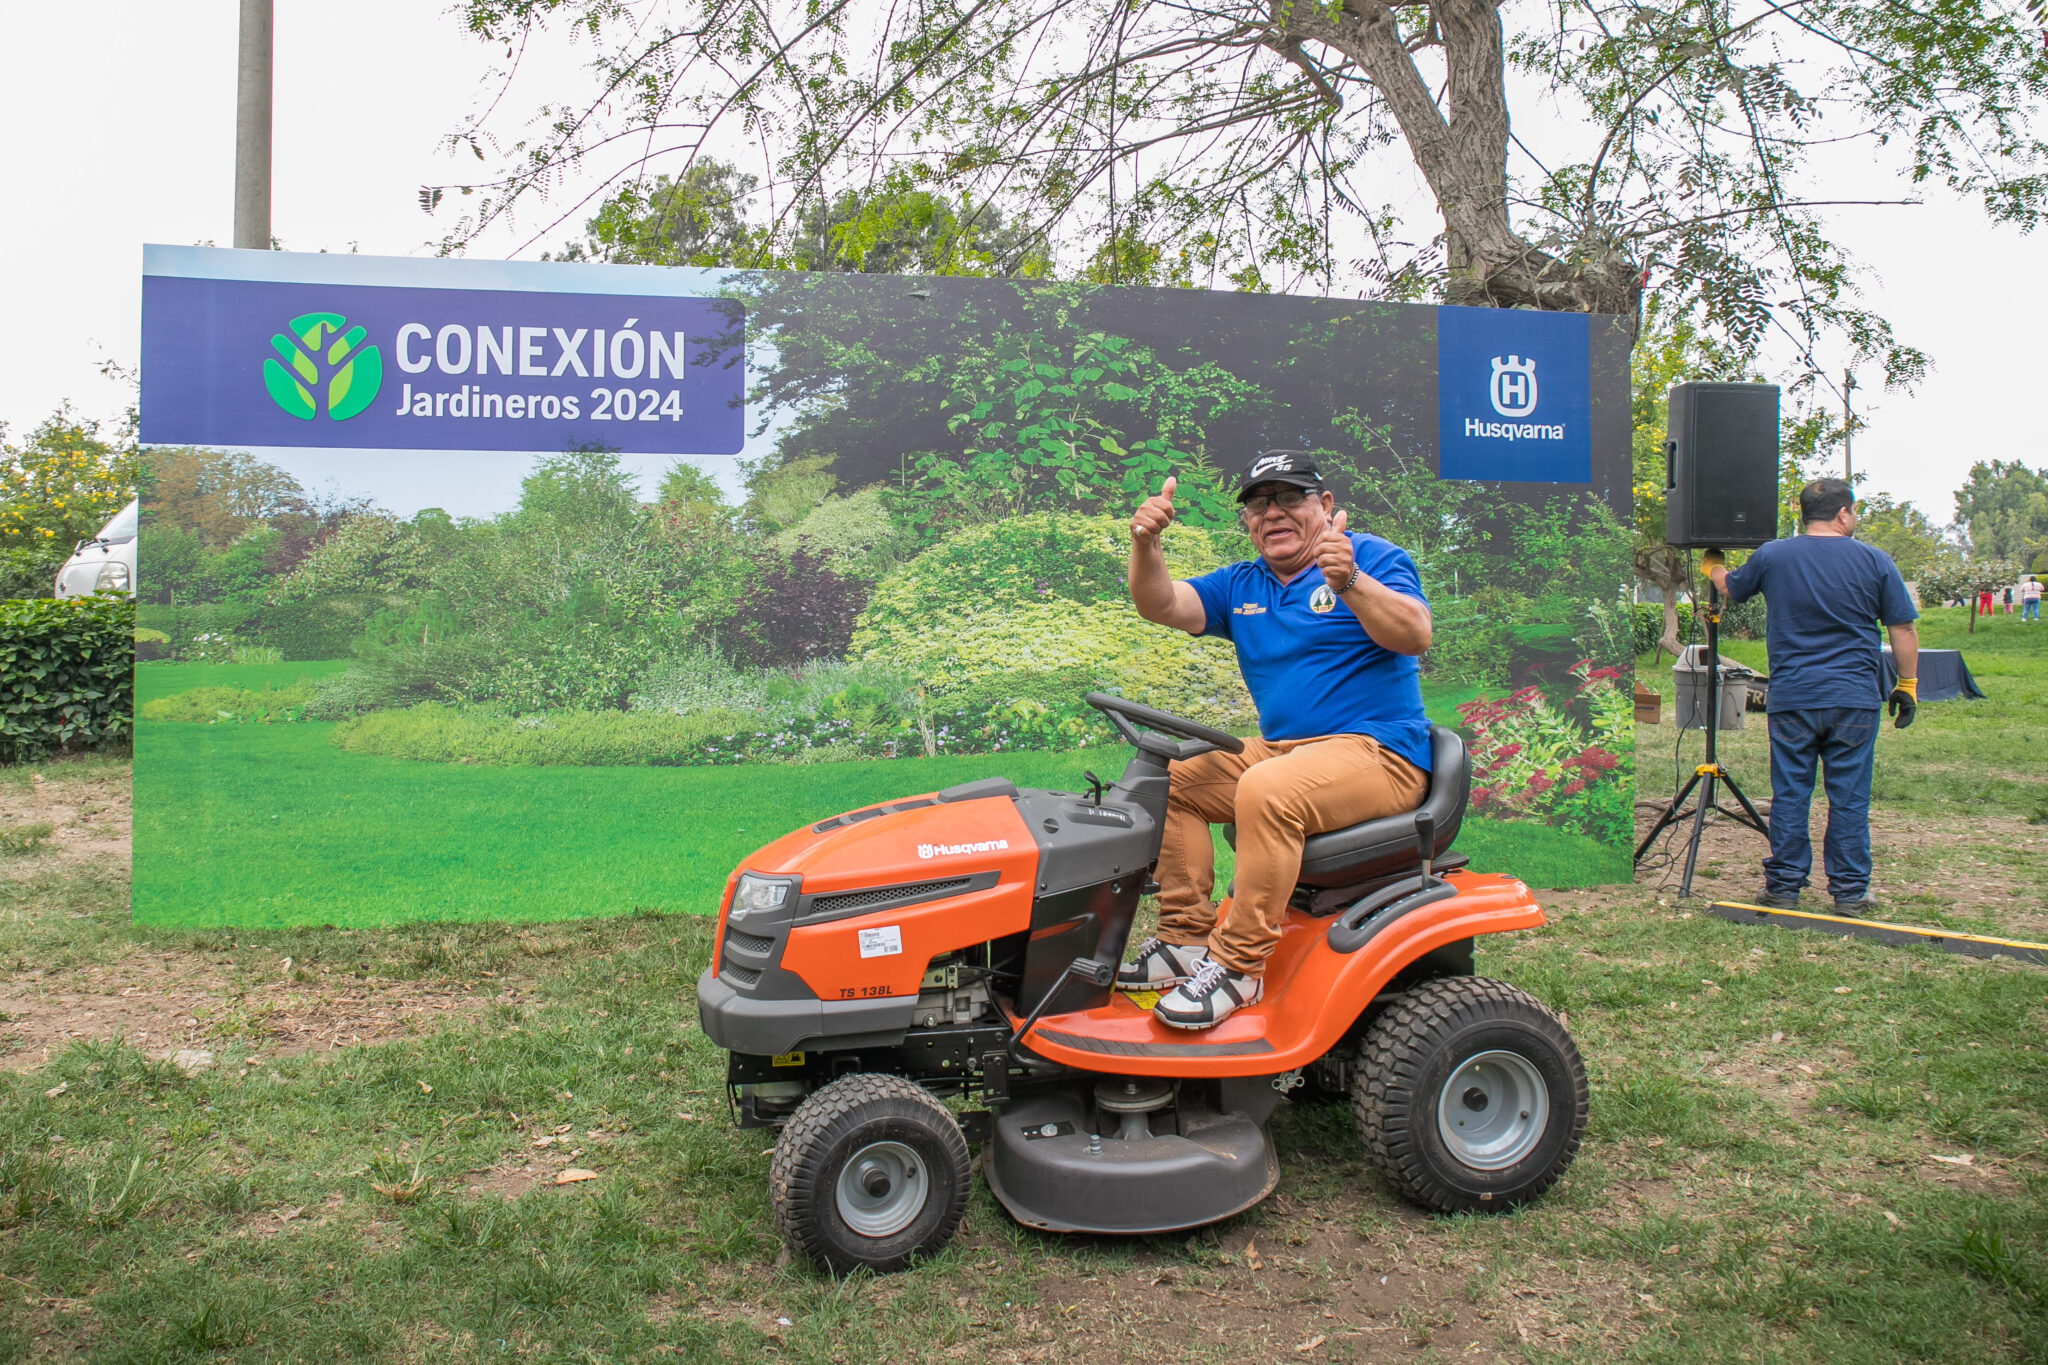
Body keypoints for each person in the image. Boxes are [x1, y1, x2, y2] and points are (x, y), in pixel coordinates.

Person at [1119, 452, 1432, 1029]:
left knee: (1268, 789)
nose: (1273, 512)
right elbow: (1160, 605)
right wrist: (1145, 543)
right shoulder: (1243, 582)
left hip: (1380, 753)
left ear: (1326, 507)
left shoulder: (1371, 557)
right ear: (1247, 521)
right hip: (1290, 751)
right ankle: (1185, 938)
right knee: (1169, 779)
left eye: (1290, 498)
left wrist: (1351, 582)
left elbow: (1414, 635)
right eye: (1260, 503)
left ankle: (1238, 965)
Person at [1703, 478, 1918, 916]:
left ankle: (1783, 887)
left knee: (1792, 795)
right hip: (1854, 699)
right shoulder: (1875, 560)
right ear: (1843, 513)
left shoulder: (1773, 555)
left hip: (1793, 698)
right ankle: (1851, 893)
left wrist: (1712, 564)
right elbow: (1903, 629)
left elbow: (1731, 588)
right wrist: (1907, 684)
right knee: (1850, 797)